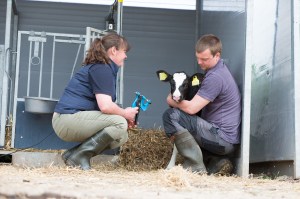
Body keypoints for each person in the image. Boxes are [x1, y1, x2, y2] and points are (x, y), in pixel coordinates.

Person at [52, 33, 139, 170]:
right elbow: (105, 106)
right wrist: (125, 114)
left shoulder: (103, 68)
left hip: (71, 119)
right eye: (124, 52)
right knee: (119, 123)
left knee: (121, 135)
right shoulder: (102, 68)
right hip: (66, 119)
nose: (126, 56)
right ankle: (79, 157)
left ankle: (74, 154)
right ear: (114, 50)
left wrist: (123, 115)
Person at [162, 34, 241, 175]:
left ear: (217, 56)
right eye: (197, 58)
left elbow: (192, 108)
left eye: (204, 59)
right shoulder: (218, 70)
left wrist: (170, 100)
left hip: (221, 139)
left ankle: (195, 166)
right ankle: (215, 162)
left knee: (171, 115)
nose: (199, 62)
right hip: (224, 139)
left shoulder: (215, 77)